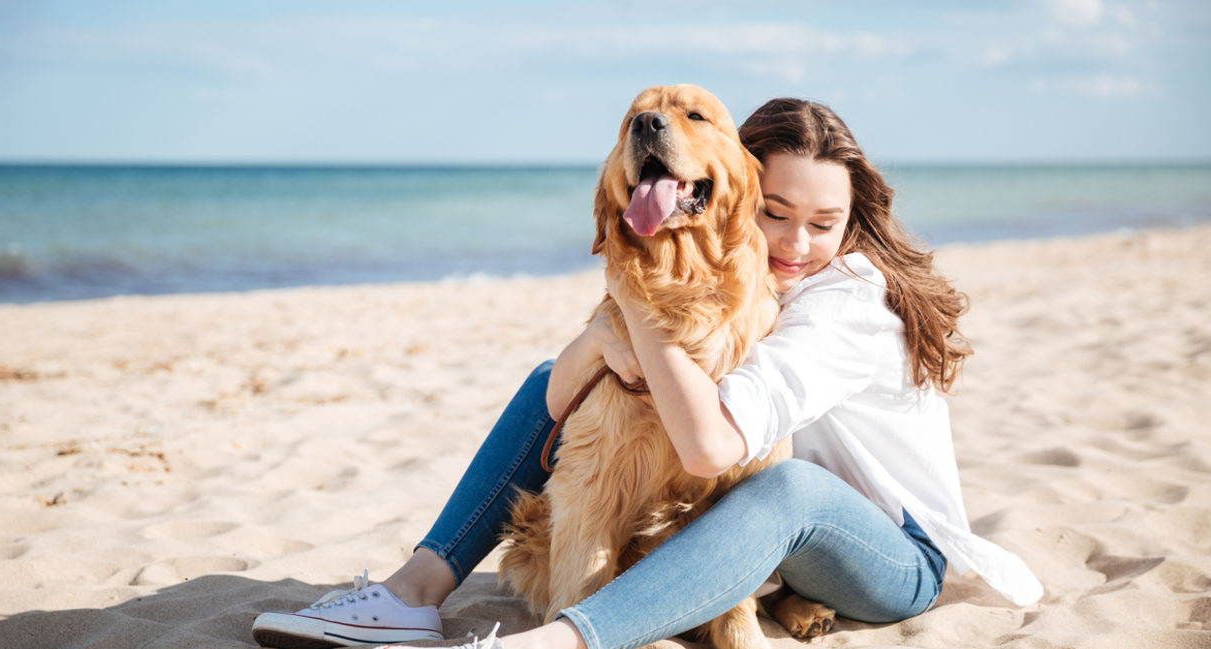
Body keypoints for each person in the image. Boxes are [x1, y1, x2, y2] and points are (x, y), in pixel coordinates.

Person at [251, 98, 1043, 649]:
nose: (796, 243)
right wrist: (605, 339)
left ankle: (561, 639)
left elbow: (709, 448)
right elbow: (558, 396)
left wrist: (631, 308)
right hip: (775, 547)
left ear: (850, 222)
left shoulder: (844, 302)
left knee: (784, 485)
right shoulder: (744, 284)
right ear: (729, 193)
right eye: (774, 212)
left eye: (823, 224)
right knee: (552, 376)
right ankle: (415, 588)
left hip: (891, 558)